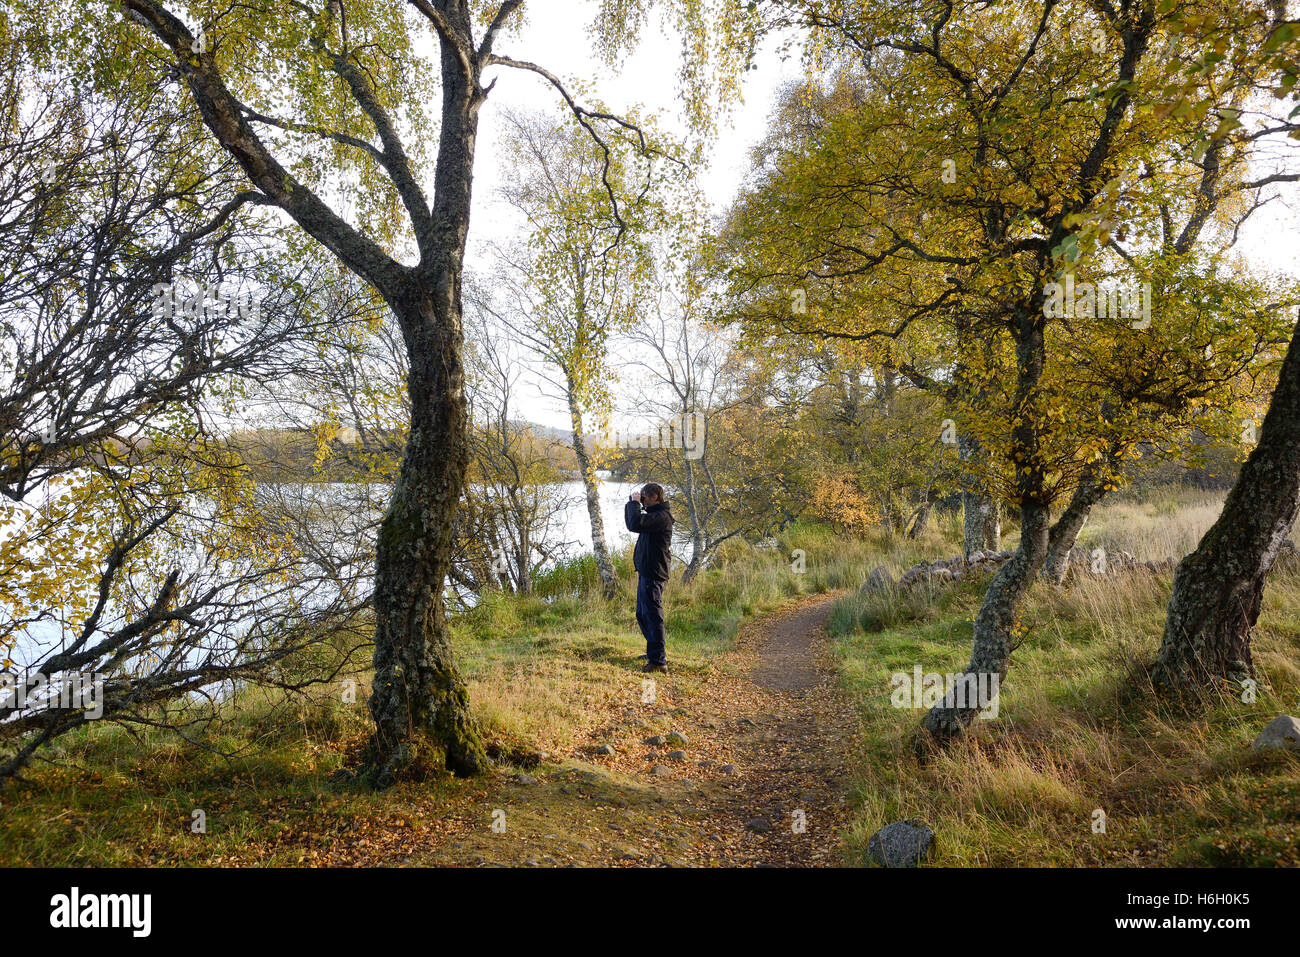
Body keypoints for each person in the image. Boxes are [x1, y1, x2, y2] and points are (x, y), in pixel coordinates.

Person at [624, 482, 673, 672]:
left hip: (654, 572)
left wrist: (634, 504)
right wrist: (633, 504)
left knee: (652, 616)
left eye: (644, 496)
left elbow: (636, 523)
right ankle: (653, 651)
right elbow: (632, 523)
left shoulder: (662, 517)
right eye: (641, 497)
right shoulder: (654, 515)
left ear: (655, 497)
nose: (642, 499)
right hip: (647, 571)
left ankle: (659, 661)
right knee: (642, 614)